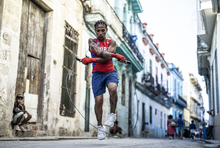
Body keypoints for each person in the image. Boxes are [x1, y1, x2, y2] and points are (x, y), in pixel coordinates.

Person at [80, 20, 127, 140]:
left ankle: (112, 114)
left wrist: (91, 60)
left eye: (103, 30)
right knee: (98, 101)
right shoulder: (91, 40)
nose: (100, 32)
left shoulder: (112, 42)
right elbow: (98, 52)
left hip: (110, 72)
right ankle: (100, 127)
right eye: (98, 30)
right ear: (95, 31)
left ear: (106, 30)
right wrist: (115, 56)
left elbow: (106, 57)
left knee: (113, 88)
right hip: (97, 74)